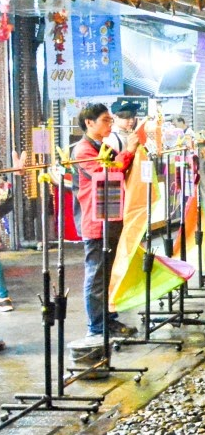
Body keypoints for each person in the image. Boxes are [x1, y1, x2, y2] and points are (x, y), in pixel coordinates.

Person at [71, 103, 138, 342]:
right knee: (97, 274)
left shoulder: (103, 146)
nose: (110, 124)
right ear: (89, 123)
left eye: (110, 120)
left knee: (108, 272)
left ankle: (108, 318)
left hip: (109, 215)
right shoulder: (82, 150)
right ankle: (97, 325)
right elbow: (108, 172)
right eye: (106, 120)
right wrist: (128, 151)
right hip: (94, 219)